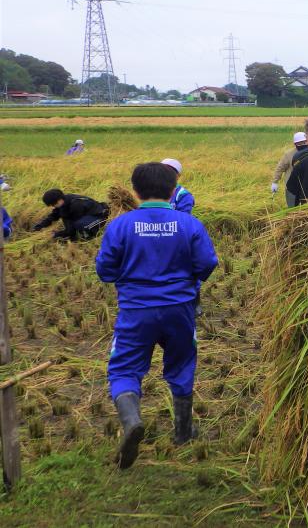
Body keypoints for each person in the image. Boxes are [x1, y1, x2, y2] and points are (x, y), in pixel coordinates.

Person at [96, 162, 218, 469]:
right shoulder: (189, 224)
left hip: (136, 310)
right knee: (181, 364)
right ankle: (183, 432)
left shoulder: (121, 226)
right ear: (173, 190)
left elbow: (105, 270)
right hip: (180, 309)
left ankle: (133, 420)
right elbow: (207, 263)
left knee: (124, 367)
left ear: (134, 191)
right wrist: (187, 281)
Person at [32, 189, 109, 241]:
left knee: (79, 225)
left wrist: (56, 235)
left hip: (100, 216)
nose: (53, 206)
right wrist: (41, 225)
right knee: (65, 216)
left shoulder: (76, 204)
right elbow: (54, 215)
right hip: (87, 215)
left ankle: (94, 234)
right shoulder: (63, 202)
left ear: (59, 200)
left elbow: (71, 230)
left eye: (53, 204)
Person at [271, 132, 308, 207]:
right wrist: (275, 182)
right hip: (291, 187)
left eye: (304, 142)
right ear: (295, 144)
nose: (302, 145)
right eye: (299, 143)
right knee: (292, 209)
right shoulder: (289, 154)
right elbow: (280, 168)